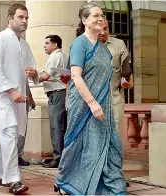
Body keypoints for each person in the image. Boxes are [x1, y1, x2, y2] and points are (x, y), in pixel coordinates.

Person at [54, 2, 127, 195]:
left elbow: (106, 80)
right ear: (84, 20)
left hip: (103, 105)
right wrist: (93, 104)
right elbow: (76, 76)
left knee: (110, 146)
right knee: (81, 145)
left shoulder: (103, 49)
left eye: (102, 15)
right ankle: (67, 183)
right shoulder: (80, 43)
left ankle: (111, 185)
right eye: (95, 15)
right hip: (85, 105)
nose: (101, 18)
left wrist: (105, 105)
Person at [0, 3, 39, 194]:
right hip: (3, 97)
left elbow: (33, 69)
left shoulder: (24, 45)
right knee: (9, 133)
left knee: (8, 136)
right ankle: (13, 179)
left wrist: (33, 73)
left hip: (19, 97)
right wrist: (11, 91)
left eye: (26, 17)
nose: (24, 21)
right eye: (20, 17)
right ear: (10, 18)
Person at [98, 19, 133, 132]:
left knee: (116, 132)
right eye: (99, 29)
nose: (103, 32)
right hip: (94, 100)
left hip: (115, 99)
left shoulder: (119, 44)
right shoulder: (85, 45)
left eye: (106, 28)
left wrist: (128, 83)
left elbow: (127, 70)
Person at [38, 35, 67, 168]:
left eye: (47, 43)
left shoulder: (55, 56)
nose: (44, 46)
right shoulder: (62, 56)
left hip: (56, 93)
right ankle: (60, 156)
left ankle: (58, 158)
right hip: (59, 93)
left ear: (55, 45)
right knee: (60, 125)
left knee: (57, 126)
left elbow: (44, 76)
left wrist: (33, 74)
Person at [17, 81, 35, 166]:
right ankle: (13, 155)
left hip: (24, 99)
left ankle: (18, 155)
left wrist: (31, 97)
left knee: (23, 128)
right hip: (14, 99)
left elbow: (25, 83)